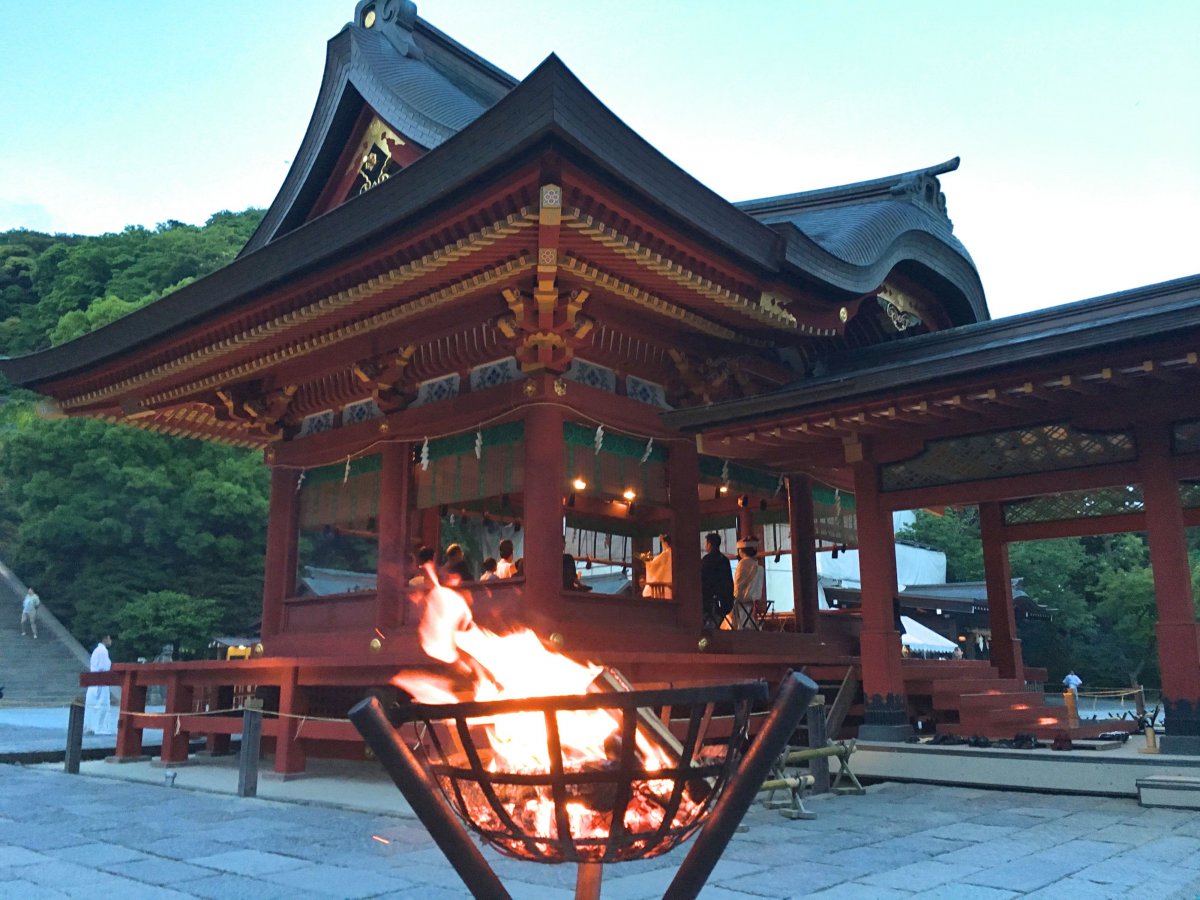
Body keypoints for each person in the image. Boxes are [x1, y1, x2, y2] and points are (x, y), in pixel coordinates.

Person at [700, 532, 733, 631]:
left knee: (707, 626)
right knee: (715, 623)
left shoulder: (706, 560)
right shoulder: (725, 560)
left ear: (709, 544)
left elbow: (702, 579)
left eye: (706, 543)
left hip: (709, 599)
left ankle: (704, 643)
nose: (705, 546)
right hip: (724, 599)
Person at [84, 635, 116, 735]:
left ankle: (91, 726)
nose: (110, 640)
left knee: (94, 705)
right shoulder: (102, 651)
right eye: (109, 638)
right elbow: (103, 668)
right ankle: (99, 728)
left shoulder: (98, 651)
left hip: (96, 682)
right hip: (100, 682)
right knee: (101, 705)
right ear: (105, 639)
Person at [731, 537, 764, 629]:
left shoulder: (742, 564)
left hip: (740, 599)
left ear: (742, 550)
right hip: (751, 600)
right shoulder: (757, 565)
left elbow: (738, 585)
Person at [642, 534, 672, 599]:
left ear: (666, 543)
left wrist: (647, 562)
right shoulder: (672, 553)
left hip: (664, 586)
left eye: (663, 542)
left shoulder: (666, 553)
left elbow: (654, 564)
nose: (662, 544)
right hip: (670, 586)